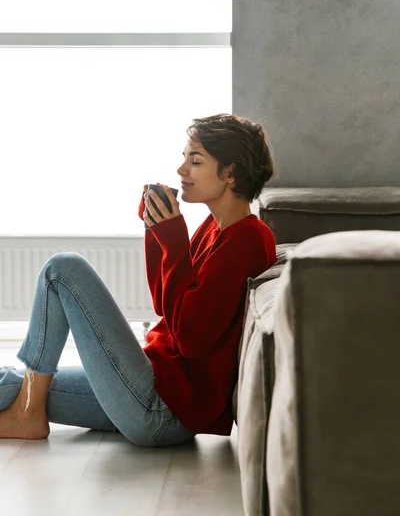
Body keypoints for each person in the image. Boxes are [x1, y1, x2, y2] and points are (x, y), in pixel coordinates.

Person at [0, 113, 277, 446]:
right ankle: (27, 410)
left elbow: (190, 338)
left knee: (63, 269)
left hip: (163, 409)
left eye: (196, 160)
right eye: (184, 158)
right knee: (10, 382)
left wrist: (173, 238)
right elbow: (165, 304)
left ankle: (28, 413)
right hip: (151, 387)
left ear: (230, 173)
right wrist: (155, 231)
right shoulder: (215, 228)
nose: (181, 170)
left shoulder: (247, 238)